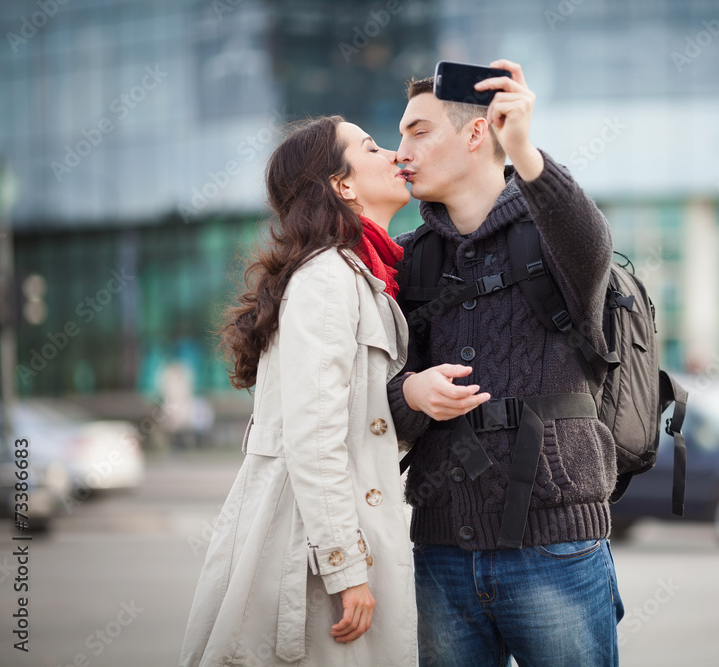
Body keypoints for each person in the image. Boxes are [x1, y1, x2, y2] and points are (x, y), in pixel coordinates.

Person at [180, 115, 478, 666]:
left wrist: (408, 393)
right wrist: (346, 568)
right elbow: (314, 439)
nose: (394, 154)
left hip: (324, 540)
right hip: (307, 556)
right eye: (371, 147)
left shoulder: (363, 276)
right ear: (342, 186)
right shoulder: (328, 279)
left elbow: (350, 412)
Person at [388, 60, 626, 666]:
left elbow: (589, 237)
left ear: (474, 135)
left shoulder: (552, 238)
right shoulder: (408, 260)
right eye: (398, 135)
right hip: (441, 550)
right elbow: (377, 398)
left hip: (556, 548)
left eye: (418, 131)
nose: (400, 152)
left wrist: (521, 145)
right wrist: (411, 393)